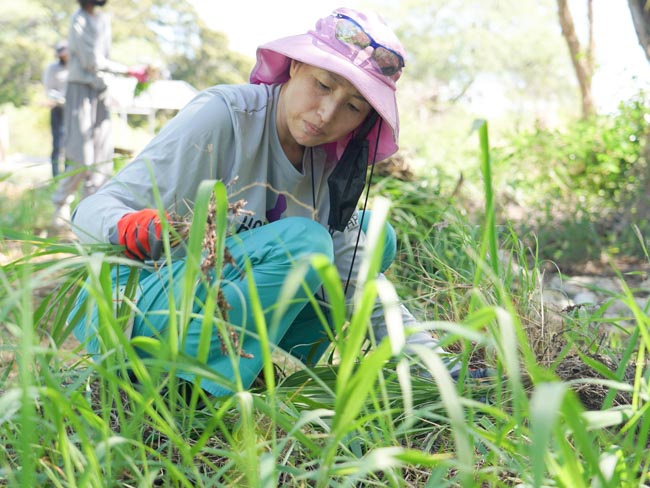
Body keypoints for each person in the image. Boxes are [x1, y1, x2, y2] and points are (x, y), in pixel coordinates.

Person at [69, 7, 472, 399]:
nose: (327, 113)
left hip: (214, 306)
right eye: (324, 85)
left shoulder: (328, 159)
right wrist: (129, 225)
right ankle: (182, 388)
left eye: (352, 107)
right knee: (307, 242)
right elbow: (90, 210)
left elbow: (356, 276)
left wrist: (430, 363)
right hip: (136, 304)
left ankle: (244, 370)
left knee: (372, 237)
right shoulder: (224, 115)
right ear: (296, 65)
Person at [51, 0, 147, 229]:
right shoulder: (79, 20)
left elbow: (103, 56)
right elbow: (91, 60)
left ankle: (88, 216)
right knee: (81, 156)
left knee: (101, 158)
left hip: (100, 90)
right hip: (80, 90)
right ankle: (60, 206)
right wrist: (128, 70)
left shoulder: (103, 20)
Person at [42, 41, 69, 178]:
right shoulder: (52, 69)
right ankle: (55, 176)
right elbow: (49, 89)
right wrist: (60, 99)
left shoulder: (74, 68)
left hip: (72, 111)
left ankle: (68, 175)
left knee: (70, 144)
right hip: (58, 109)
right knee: (58, 143)